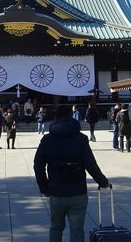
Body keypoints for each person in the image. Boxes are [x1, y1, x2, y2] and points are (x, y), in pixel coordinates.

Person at [34, 104, 110, 242]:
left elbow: (38, 166)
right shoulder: (81, 139)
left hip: (56, 190)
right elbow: (90, 165)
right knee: (77, 229)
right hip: (78, 190)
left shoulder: (47, 140)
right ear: (71, 115)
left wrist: (44, 188)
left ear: (56, 117)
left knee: (56, 227)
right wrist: (103, 182)